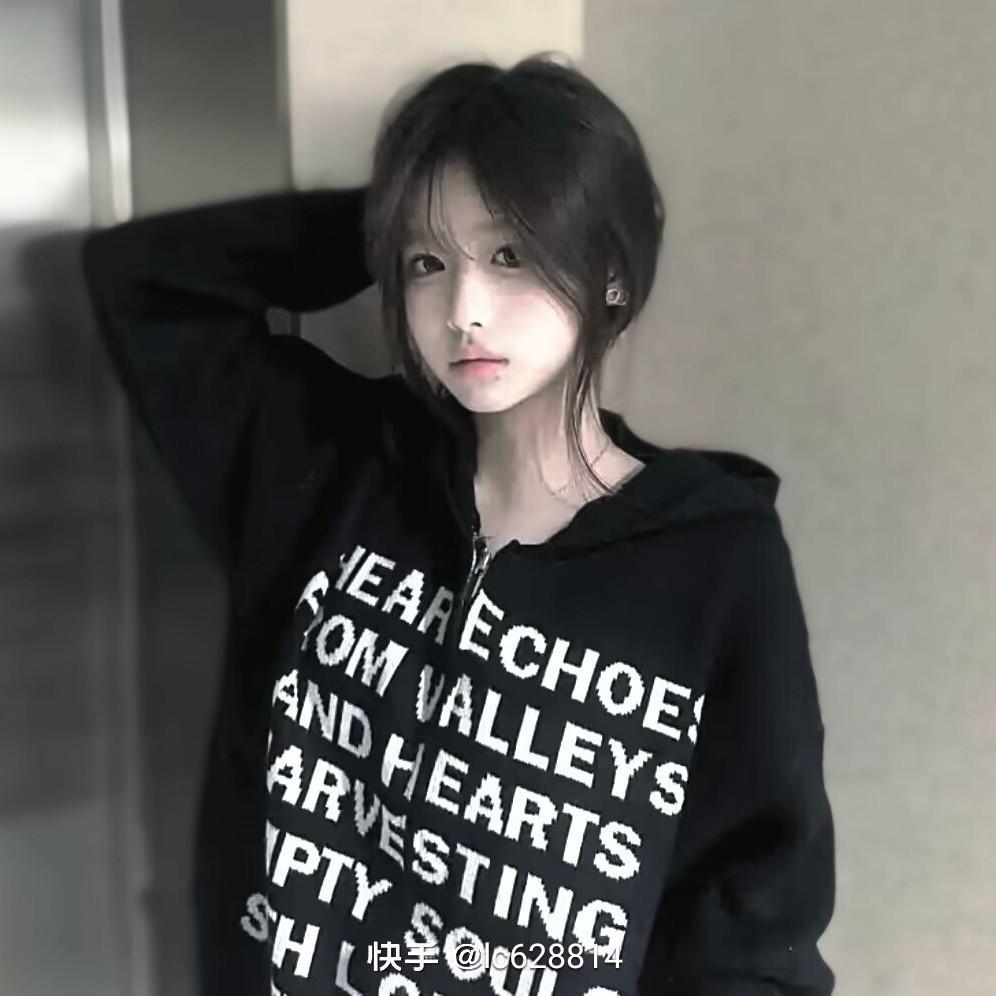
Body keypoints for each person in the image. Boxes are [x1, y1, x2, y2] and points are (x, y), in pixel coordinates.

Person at [81, 54, 835, 996]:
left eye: (513, 256)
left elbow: (753, 929)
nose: (465, 312)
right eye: (429, 266)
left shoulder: (714, 560)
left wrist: (488, 208)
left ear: (609, 272)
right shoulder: (328, 468)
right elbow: (141, 281)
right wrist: (400, 212)